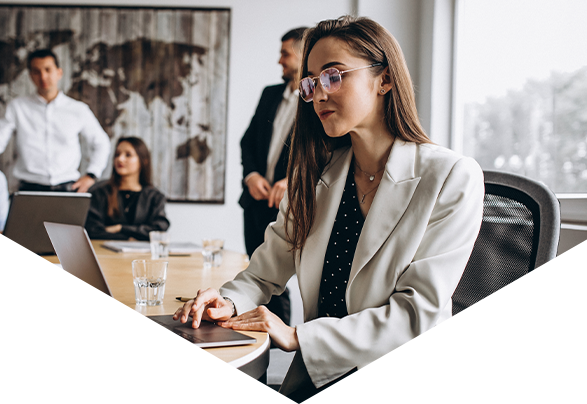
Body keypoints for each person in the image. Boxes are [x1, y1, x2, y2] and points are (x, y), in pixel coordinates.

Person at [174, 16, 485, 404]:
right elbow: (263, 273)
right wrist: (228, 301)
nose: (318, 94)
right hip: (326, 375)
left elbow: (413, 312)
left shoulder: (451, 176)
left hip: (404, 383)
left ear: (384, 80)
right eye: (310, 83)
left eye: (333, 76)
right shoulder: (317, 177)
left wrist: (297, 335)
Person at [239, 27, 307, 325]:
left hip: (288, 203)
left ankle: (277, 343)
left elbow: (322, 151)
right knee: (255, 273)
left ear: (303, 55)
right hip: (255, 202)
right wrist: (251, 175)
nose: (280, 60)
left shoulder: (316, 100)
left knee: (277, 281)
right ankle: (256, 335)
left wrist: (294, 179)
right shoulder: (269, 94)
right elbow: (248, 141)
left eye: (285, 54)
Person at [0, 49, 110, 193]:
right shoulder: (17, 107)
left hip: (68, 187)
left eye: (47, 70)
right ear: (30, 75)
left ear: (59, 72)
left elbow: (101, 142)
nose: (43, 76)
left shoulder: (78, 109)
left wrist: (91, 174)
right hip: (29, 187)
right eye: (36, 71)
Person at [85, 136, 169, 241]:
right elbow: (92, 230)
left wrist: (120, 228)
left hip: (141, 256)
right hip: (104, 254)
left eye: (128, 155)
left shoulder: (155, 196)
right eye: (117, 155)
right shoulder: (100, 192)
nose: (120, 159)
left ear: (143, 161)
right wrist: (129, 237)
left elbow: (159, 230)